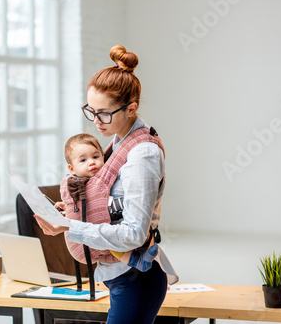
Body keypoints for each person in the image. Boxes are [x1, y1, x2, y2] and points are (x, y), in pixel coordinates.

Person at [34, 45, 178, 324]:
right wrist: (73, 212)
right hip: (119, 277)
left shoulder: (141, 154)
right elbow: (113, 202)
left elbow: (134, 233)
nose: (96, 121)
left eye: (104, 113)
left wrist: (69, 227)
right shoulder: (118, 142)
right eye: (91, 110)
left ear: (131, 108)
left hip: (137, 281)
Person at [58, 132, 158, 272]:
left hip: (97, 237)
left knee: (113, 245)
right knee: (114, 244)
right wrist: (65, 208)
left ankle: (138, 261)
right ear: (72, 169)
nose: (91, 162)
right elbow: (76, 206)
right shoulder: (83, 183)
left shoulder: (83, 183)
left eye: (95, 156)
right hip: (84, 240)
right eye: (83, 160)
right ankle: (137, 260)